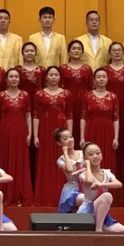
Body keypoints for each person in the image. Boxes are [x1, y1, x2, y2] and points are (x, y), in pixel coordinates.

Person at [33, 66, 73, 206]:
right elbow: (36, 115)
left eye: (56, 74)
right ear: (46, 77)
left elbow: (69, 115)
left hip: (62, 129)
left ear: (60, 77)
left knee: (62, 159)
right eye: (51, 74)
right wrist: (36, 135)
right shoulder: (39, 94)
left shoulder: (66, 93)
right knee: (46, 161)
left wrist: (69, 136)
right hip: (45, 130)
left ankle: (62, 195)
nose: (54, 77)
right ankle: (46, 195)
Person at [0, 68, 33, 206]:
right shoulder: (0, 95)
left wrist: (30, 133)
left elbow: (28, 115)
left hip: (21, 130)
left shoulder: (25, 95)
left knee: (21, 161)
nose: (14, 79)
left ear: (20, 79)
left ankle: (20, 195)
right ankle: (5, 194)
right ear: (6, 79)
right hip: (5, 131)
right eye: (11, 76)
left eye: (16, 76)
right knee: (5, 159)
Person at [104, 42, 124, 183]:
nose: (117, 52)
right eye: (114, 50)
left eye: (119, 50)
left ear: (123, 52)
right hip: (108, 106)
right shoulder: (105, 70)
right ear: (110, 53)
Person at [77, 143, 124, 232]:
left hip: (100, 211)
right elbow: (89, 181)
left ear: (101, 155)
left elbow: (119, 184)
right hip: (87, 210)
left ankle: (100, 225)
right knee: (107, 196)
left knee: (121, 230)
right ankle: (98, 229)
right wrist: (87, 166)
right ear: (84, 158)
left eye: (97, 153)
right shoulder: (82, 174)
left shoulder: (107, 172)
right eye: (90, 154)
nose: (95, 156)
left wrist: (101, 185)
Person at [80, 68, 119, 172]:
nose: (101, 79)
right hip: (91, 130)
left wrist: (116, 137)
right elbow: (83, 117)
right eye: (98, 77)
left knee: (107, 156)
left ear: (107, 79)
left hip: (108, 131)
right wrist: (82, 137)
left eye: (104, 77)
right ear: (94, 80)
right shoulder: (87, 96)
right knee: (91, 156)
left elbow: (116, 118)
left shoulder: (113, 97)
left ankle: (107, 181)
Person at [60, 40, 94, 142]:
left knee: (83, 126)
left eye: (79, 49)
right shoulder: (62, 68)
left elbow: (91, 88)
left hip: (83, 102)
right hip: (67, 102)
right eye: (74, 48)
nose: (76, 51)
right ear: (69, 51)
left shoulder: (87, 69)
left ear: (82, 52)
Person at [55, 129, 85, 213]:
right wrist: (65, 153)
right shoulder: (61, 160)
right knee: (84, 200)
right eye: (65, 139)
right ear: (59, 143)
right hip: (72, 189)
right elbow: (69, 169)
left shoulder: (83, 153)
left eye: (71, 137)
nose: (70, 140)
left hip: (86, 186)